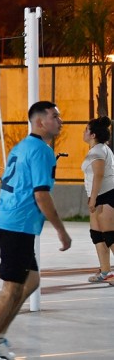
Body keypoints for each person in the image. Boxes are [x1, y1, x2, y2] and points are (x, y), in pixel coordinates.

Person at [0, 101, 72, 360]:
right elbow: (41, 195)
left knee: (31, 281)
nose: (60, 121)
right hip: (16, 225)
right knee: (11, 289)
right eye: (55, 117)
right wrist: (61, 230)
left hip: (8, 221)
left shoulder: (22, 146)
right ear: (40, 122)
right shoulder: (42, 151)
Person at [81, 116, 114, 283]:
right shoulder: (98, 149)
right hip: (98, 196)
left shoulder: (98, 151)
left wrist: (93, 199)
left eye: (86, 129)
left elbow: (99, 175)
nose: (84, 132)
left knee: (110, 236)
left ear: (93, 135)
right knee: (97, 235)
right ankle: (106, 272)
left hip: (107, 196)